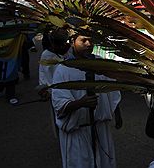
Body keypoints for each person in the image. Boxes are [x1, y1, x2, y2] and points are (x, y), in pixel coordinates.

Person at [51, 34, 122, 168]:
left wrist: (117, 113)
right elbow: (59, 104)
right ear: (72, 42)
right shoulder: (64, 69)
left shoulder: (101, 64)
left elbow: (112, 90)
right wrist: (80, 103)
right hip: (78, 132)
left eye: (91, 39)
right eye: (83, 40)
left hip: (101, 128)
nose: (89, 44)